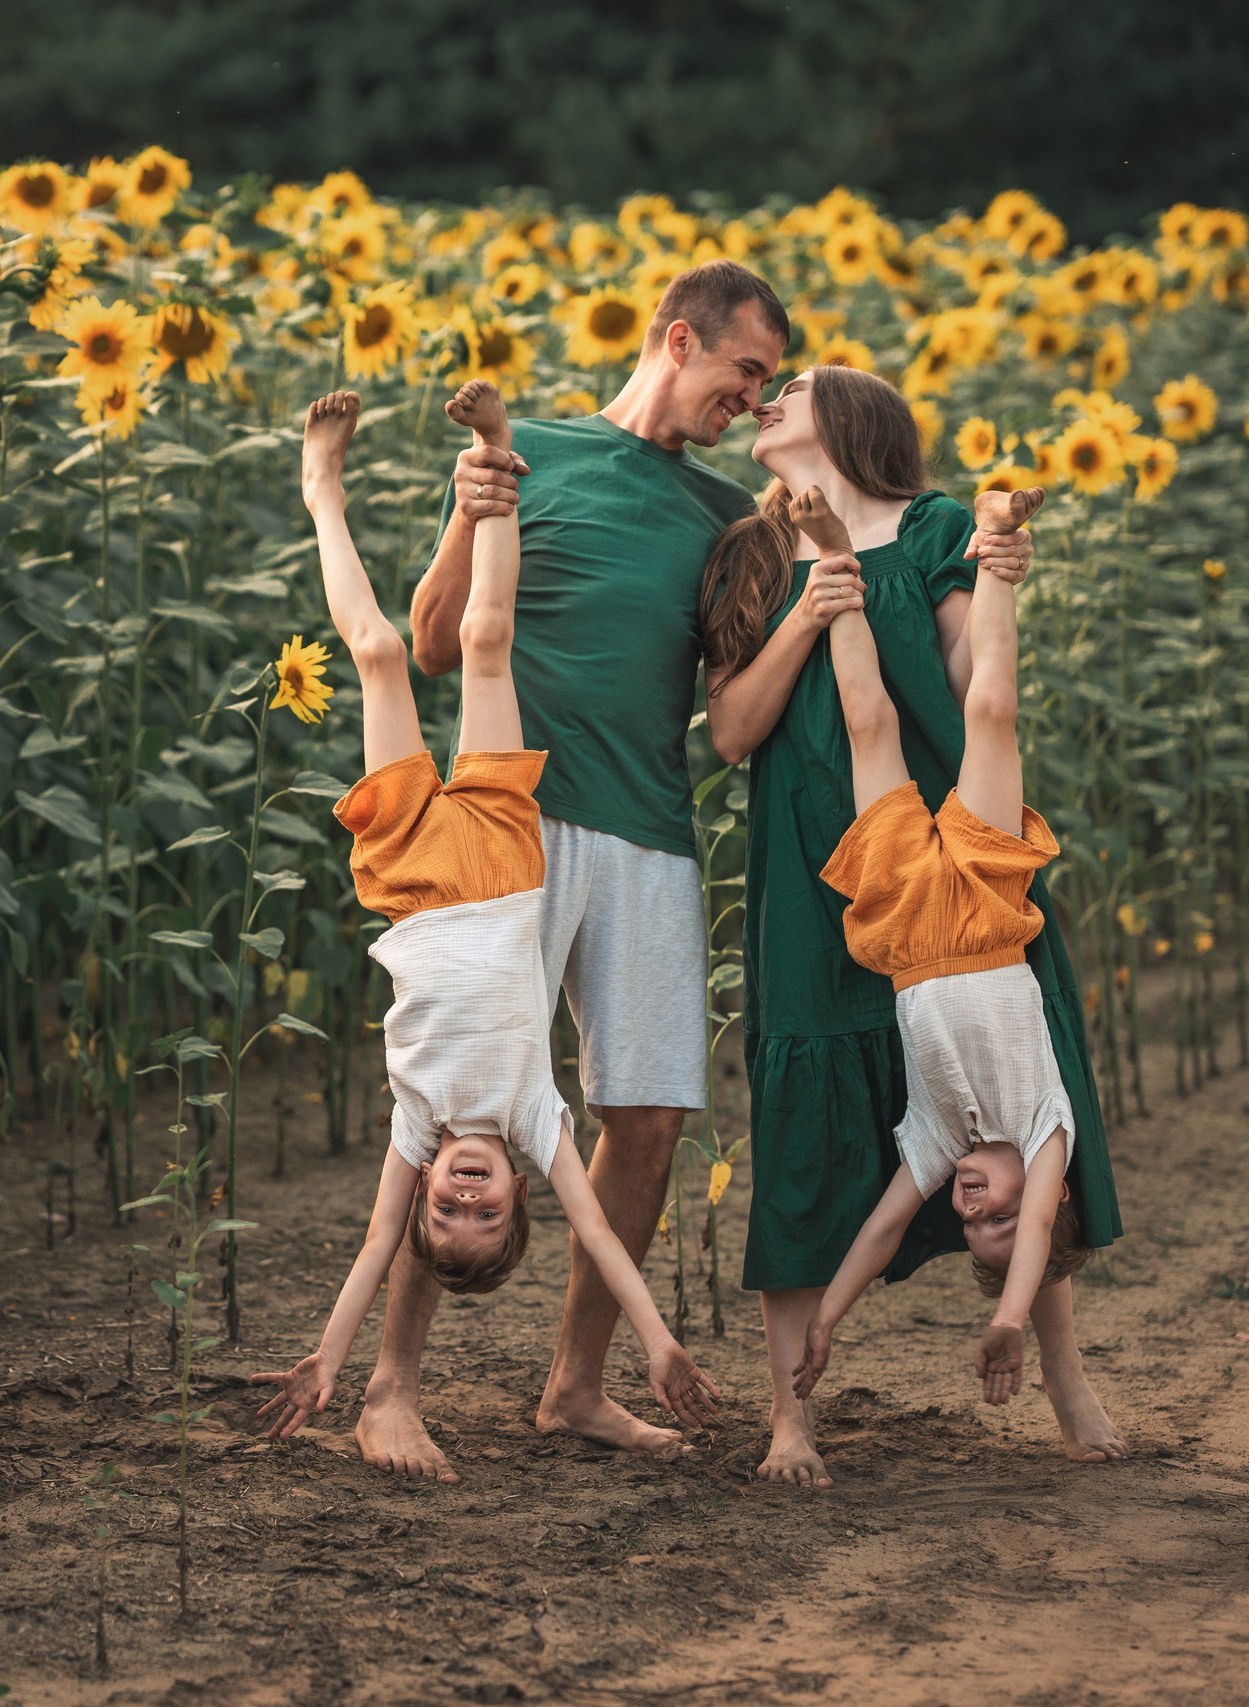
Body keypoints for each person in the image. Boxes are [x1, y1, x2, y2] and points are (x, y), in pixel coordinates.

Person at [357, 259, 787, 1482]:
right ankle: (390, 1389)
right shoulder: (526, 453)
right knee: (461, 1103)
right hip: (512, 825)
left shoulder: (721, 516)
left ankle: (575, 1387)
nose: (751, 400)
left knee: (648, 1118)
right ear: (675, 338)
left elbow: (737, 700)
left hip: (651, 828)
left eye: (765, 385)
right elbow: (435, 646)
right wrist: (467, 506)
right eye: (742, 372)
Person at [250, 384, 725, 1452]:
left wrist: (325, 1356)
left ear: (426, 1190)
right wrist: (658, 1342)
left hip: (413, 870)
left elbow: (374, 1251)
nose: (464, 1201)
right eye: (488, 1214)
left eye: (447, 1215)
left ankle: (320, 490)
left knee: (372, 652)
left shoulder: (417, 1132)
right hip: (512, 853)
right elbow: (598, 1234)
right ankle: (498, 453)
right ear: (517, 1190)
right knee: (488, 641)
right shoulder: (532, 1120)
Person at [703, 364, 1122, 1486]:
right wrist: (810, 605)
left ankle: (1064, 1377)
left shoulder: (933, 525)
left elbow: (969, 675)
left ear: (852, 422)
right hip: (810, 860)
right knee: (802, 1113)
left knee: (1018, 1101)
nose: (763, 400)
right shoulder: (748, 552)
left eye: (787, 386)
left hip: (951, 847)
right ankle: (790, 1415)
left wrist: (997, 569)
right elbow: (732, 730)